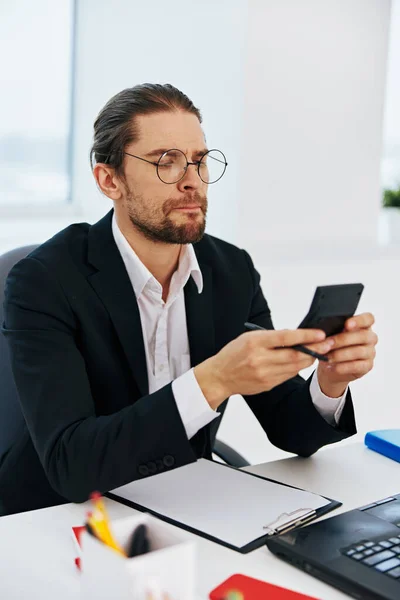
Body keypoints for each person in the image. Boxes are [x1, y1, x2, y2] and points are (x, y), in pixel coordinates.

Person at [1, 84, 377, 516]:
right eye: (167, 162)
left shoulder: (231, 271)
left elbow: (291, 430)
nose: (192, 181)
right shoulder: (44, 280)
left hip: (187, 506)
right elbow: (72, 465)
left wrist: (330, 383)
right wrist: (212, 381)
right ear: (110, 180)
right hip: (54, 517)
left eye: (199, 161)